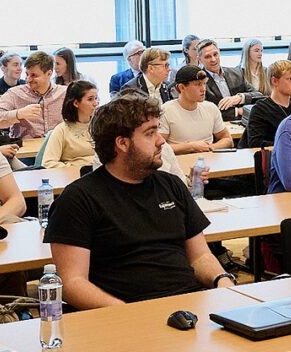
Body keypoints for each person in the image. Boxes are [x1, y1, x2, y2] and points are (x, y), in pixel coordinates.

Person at [45, 96, 236, 308]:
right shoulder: (78, 199)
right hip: (124, 312)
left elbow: (200, 256)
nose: (161, 140)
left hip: (187, 304)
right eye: (150, 133)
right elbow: (73, 283)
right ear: (122, 143)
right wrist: (126, 313)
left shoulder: (171, 185)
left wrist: (222, 280)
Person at [0, 50, 65, 139]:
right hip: (26, 151)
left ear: (49, 74)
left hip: (58, 149)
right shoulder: (15, 93)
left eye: (34, 75)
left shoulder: (64, 93)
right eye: (27, 74)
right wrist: (18, 114)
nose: (28, 79)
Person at [161, 65, 234, 155]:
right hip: (179, 162)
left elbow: (227, 139)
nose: (203, 89)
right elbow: (159, 147)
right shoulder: (166, 111)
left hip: (209, 161)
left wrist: (211, 147)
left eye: (204, 83)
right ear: (181, 88)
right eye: (198, 84)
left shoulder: (211, 108)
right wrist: (191, 147)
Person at [239, 61, 291, 149]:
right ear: (274, 81)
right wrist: (288, 145)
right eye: (290, 79)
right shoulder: (261, 109)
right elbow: (255, 143)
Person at [40, 81, 101, 171]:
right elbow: (48, 163)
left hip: (99, 174)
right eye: (90, 99)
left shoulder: (101, 126)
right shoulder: (61, 130)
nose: (95, 103)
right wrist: (75, 169)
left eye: (96, 98)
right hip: (74, 176)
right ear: (76, 103)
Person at [195, 39, 258, 120]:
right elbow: (202, 111)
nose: (213, 59)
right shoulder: (198, 81)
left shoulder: (236, 73)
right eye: (208, 57)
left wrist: (240, 98)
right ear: (199, 59)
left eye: (215, 54)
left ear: (219, 53)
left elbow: (259, 96)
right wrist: (237, 111)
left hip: (245, 124)